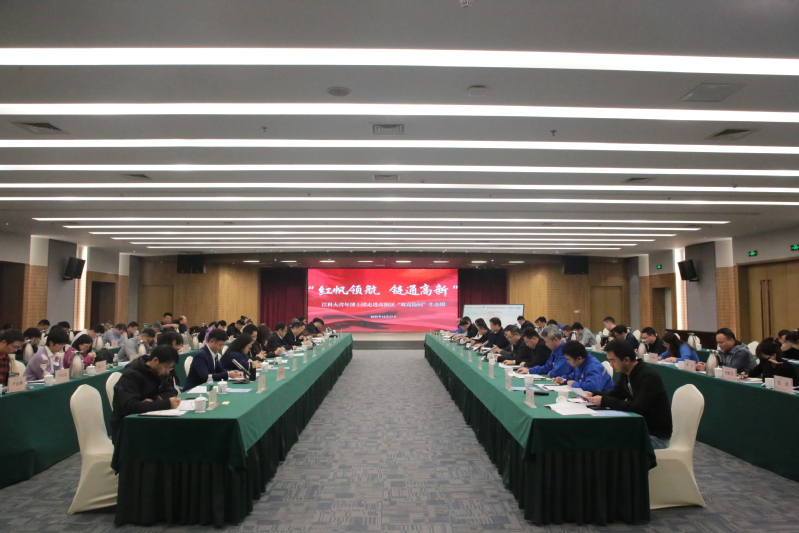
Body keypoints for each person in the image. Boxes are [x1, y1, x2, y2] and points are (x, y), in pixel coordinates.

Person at [584, 339, 673, 450]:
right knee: (603, 435)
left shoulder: (648, 376)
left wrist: (604, 400)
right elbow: (615, 394)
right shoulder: (627, 373)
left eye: (613, 361)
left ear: (626, 360)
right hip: (639, 429)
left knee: (609, 442)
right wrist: (592, 394)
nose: (611, 365)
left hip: (655, 437)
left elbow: (637, 407)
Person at [110, 345, 181, 443]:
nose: (167, 372)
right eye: (166, 367)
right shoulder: (131, 375)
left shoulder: (159, 372)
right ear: (155, 360)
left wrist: (155, 399)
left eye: (170, 368)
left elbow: (171, 391)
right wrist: (166, 403)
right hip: (129, 429)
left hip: (151, 422)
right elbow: (130, 406)